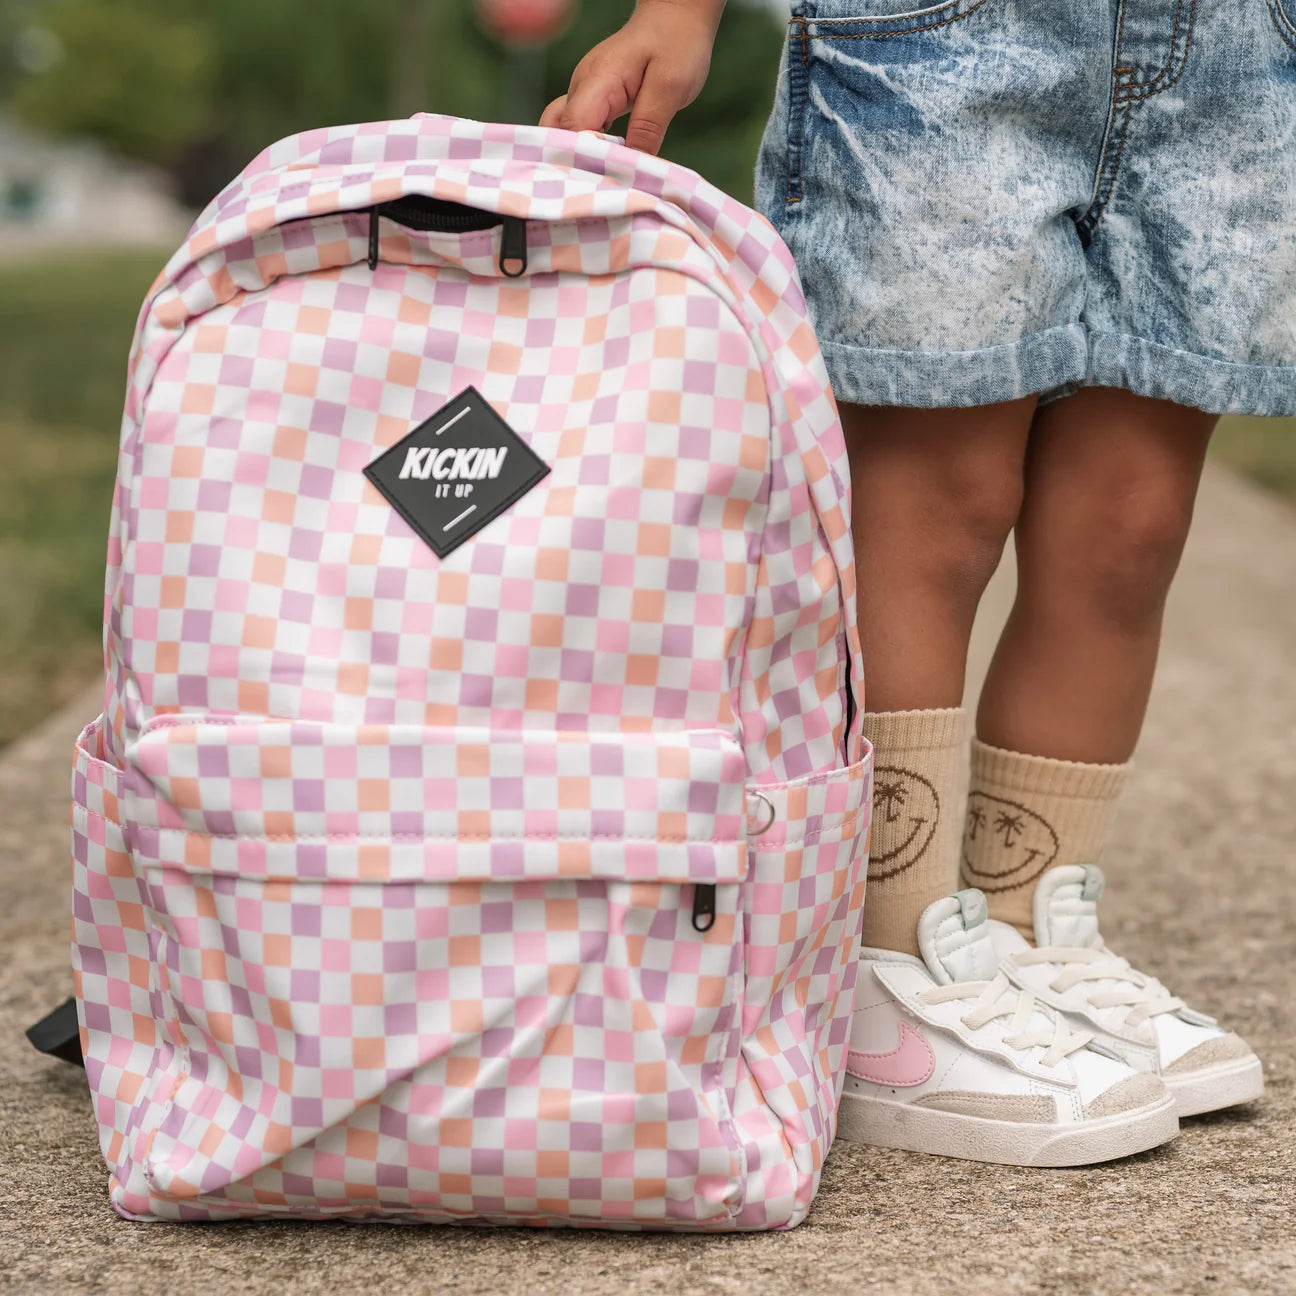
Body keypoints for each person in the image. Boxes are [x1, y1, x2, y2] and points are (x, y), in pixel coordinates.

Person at [542, 0, 1287, 1163]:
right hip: (952, 32)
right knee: (940, 499)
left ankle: (1022, 933)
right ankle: (882, 966)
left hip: (1239, 48)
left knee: (1128, 521)